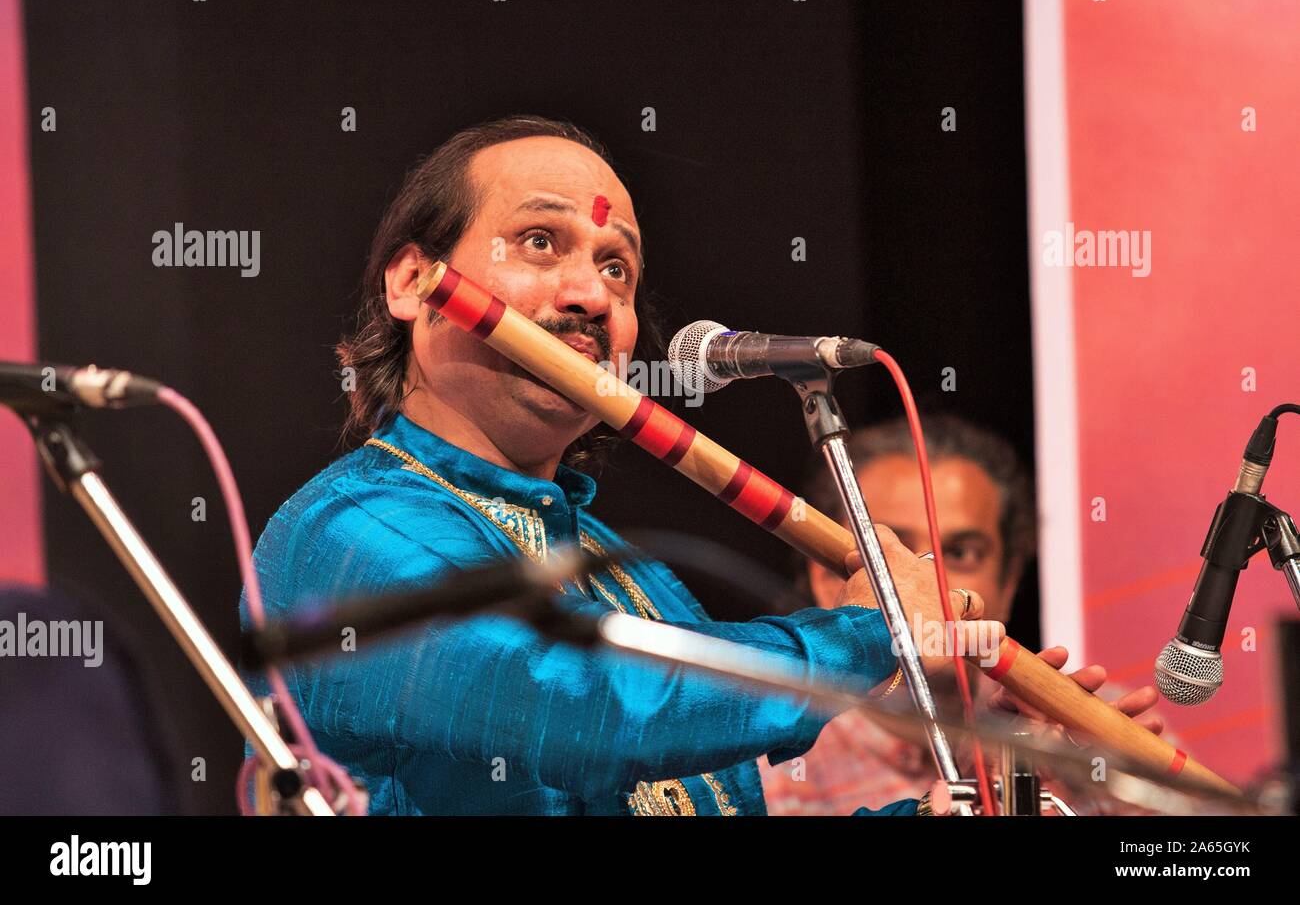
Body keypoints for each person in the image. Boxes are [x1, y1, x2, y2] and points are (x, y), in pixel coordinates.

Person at [241, 116, 1140, 815]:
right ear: (412, 282)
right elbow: (578, 710)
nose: (591, 294)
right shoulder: (340, 537)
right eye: (541, 243)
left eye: (618, 270)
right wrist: (874, 633)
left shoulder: (634, 583)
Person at [759, 415, 1165, 815]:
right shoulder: (764, 776)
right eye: (894, 553)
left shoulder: (1096, 737)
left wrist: (1112, 801)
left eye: (960, 553)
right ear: (829, 583)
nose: (930, 577)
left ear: (1008, 582)